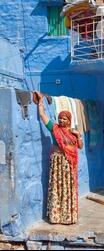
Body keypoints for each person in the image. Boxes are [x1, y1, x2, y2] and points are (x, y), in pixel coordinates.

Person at [33, 90, 83, 224]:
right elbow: (43, 116)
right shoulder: (54, 128)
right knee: (57, 186)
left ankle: (67, 216)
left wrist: (78, 136)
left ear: (69, 120)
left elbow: (80, 146)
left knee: (67, 188)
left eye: (65, 118)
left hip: (68, 164)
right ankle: (56, 216)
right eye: (60, 118)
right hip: (57, 162)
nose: (62, 120)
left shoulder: (73, 132)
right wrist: (40, 102)